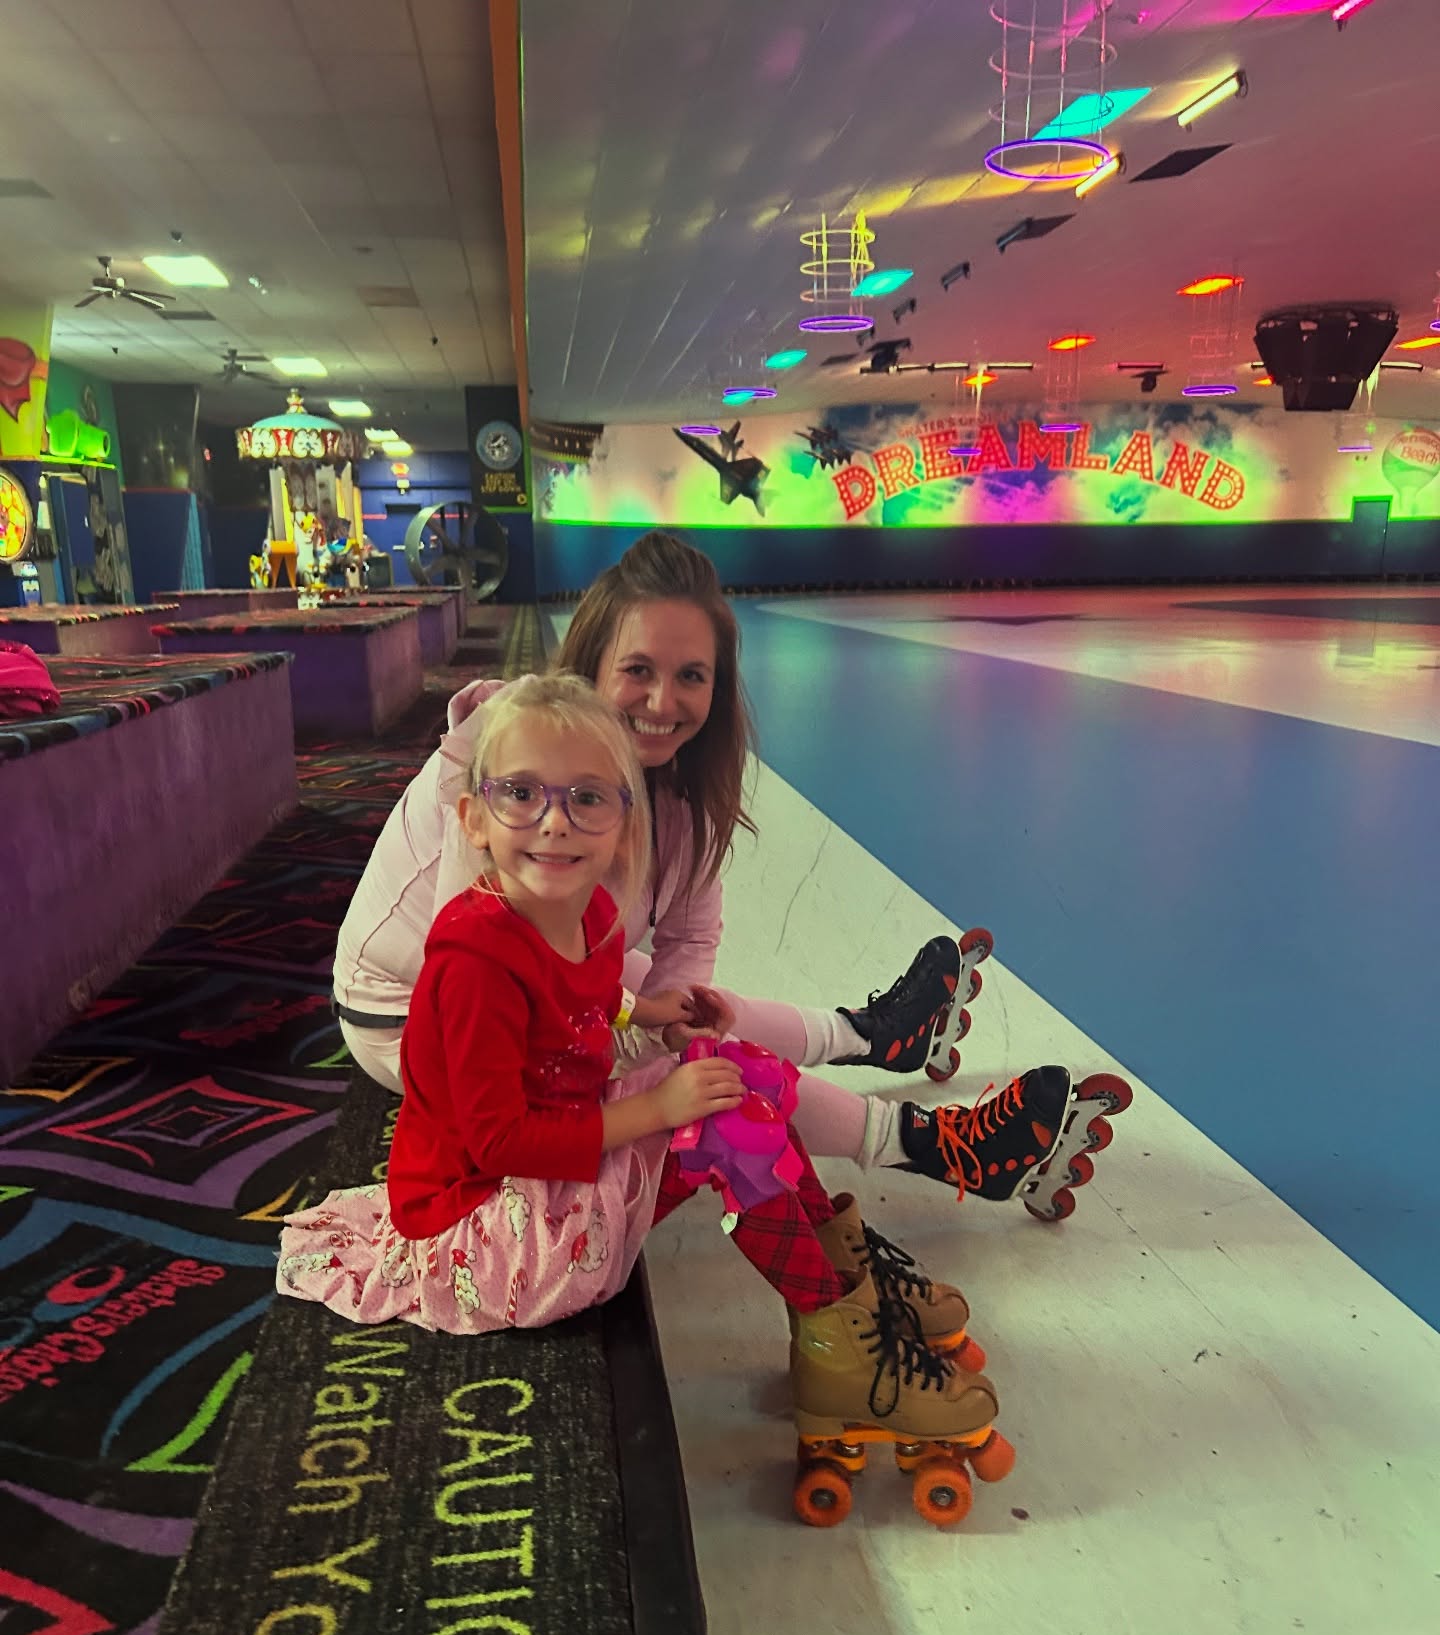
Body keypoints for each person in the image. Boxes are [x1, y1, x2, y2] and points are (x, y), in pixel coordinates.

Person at [280, 675, 1007, 1454]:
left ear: (625, 827)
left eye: (587, 798)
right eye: (520, 793)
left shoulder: (585, 911)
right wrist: (655, 1111)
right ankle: (839, 1354)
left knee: (739, 1074)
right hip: (488, 1226)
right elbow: (497, 1143)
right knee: (724, 1128)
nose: (554, 821)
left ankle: (838, 1281)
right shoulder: (474, 965)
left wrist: (652, 1013)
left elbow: (583, 996)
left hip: (542, 1169)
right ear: (474, 819)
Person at [332, 531, 1072, 1203]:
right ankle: (923, 1141)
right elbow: (486, 969)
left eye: (691, 675)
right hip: (411, 1014)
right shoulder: (512, 771)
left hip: (539, 973)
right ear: (592, 663)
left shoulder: (673, 787)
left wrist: (680, 1024)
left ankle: (869, 1036)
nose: (663, 701)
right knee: (708, 1079)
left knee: (698, 1019)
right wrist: (660, 1071)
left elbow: (688, 939)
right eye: (638, 670)